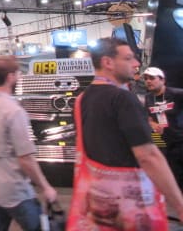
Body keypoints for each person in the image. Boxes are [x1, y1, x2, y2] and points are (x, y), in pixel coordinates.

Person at [68, 38, 183, 229]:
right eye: (128, 58)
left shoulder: (82, 99)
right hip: (128, 209)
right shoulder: (123, 98)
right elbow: (148, 156)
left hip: (98, 204)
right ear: (108, 62)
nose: (136, 63)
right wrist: (179, 205)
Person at [0, 55, 57, 231]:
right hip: (15, 192)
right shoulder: (14, 111)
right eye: (18, 73)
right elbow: (25, 158)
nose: (19, 77)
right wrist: (46, 187)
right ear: (10, 77)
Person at [143, 66, 183, 190]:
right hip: (159, 138)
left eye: (152, 78)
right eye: (146, 79)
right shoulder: (148, 97)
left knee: (177, 169)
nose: (148, 81)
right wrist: (152, 124)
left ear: (162, 80)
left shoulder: (176, 94)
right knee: (162, 166)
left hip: (177, 139)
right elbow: (148, 117)